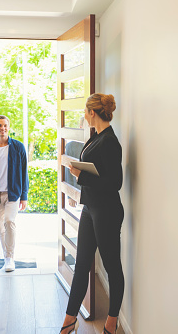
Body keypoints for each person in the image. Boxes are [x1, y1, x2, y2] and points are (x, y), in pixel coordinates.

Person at [60, 94, 124, 334]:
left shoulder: (110, 141)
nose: (84, 117)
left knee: (111, 267)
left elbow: (114, 183)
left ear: (92, 113)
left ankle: (111, 322)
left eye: (85, 112)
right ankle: (69, 321)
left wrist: (80, 175)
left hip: (107, 211)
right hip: (90, 208)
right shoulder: (96, 136)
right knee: (81, 265)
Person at [0, 115, 29, 272]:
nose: (2, 128)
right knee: (0, 227)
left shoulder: (18, 147)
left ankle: (10, 258)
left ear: (9, 127)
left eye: (5, 125)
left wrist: (24, 196)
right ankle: (6, 256)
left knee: (9, 221)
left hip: (13, 194)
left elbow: (24, 172)